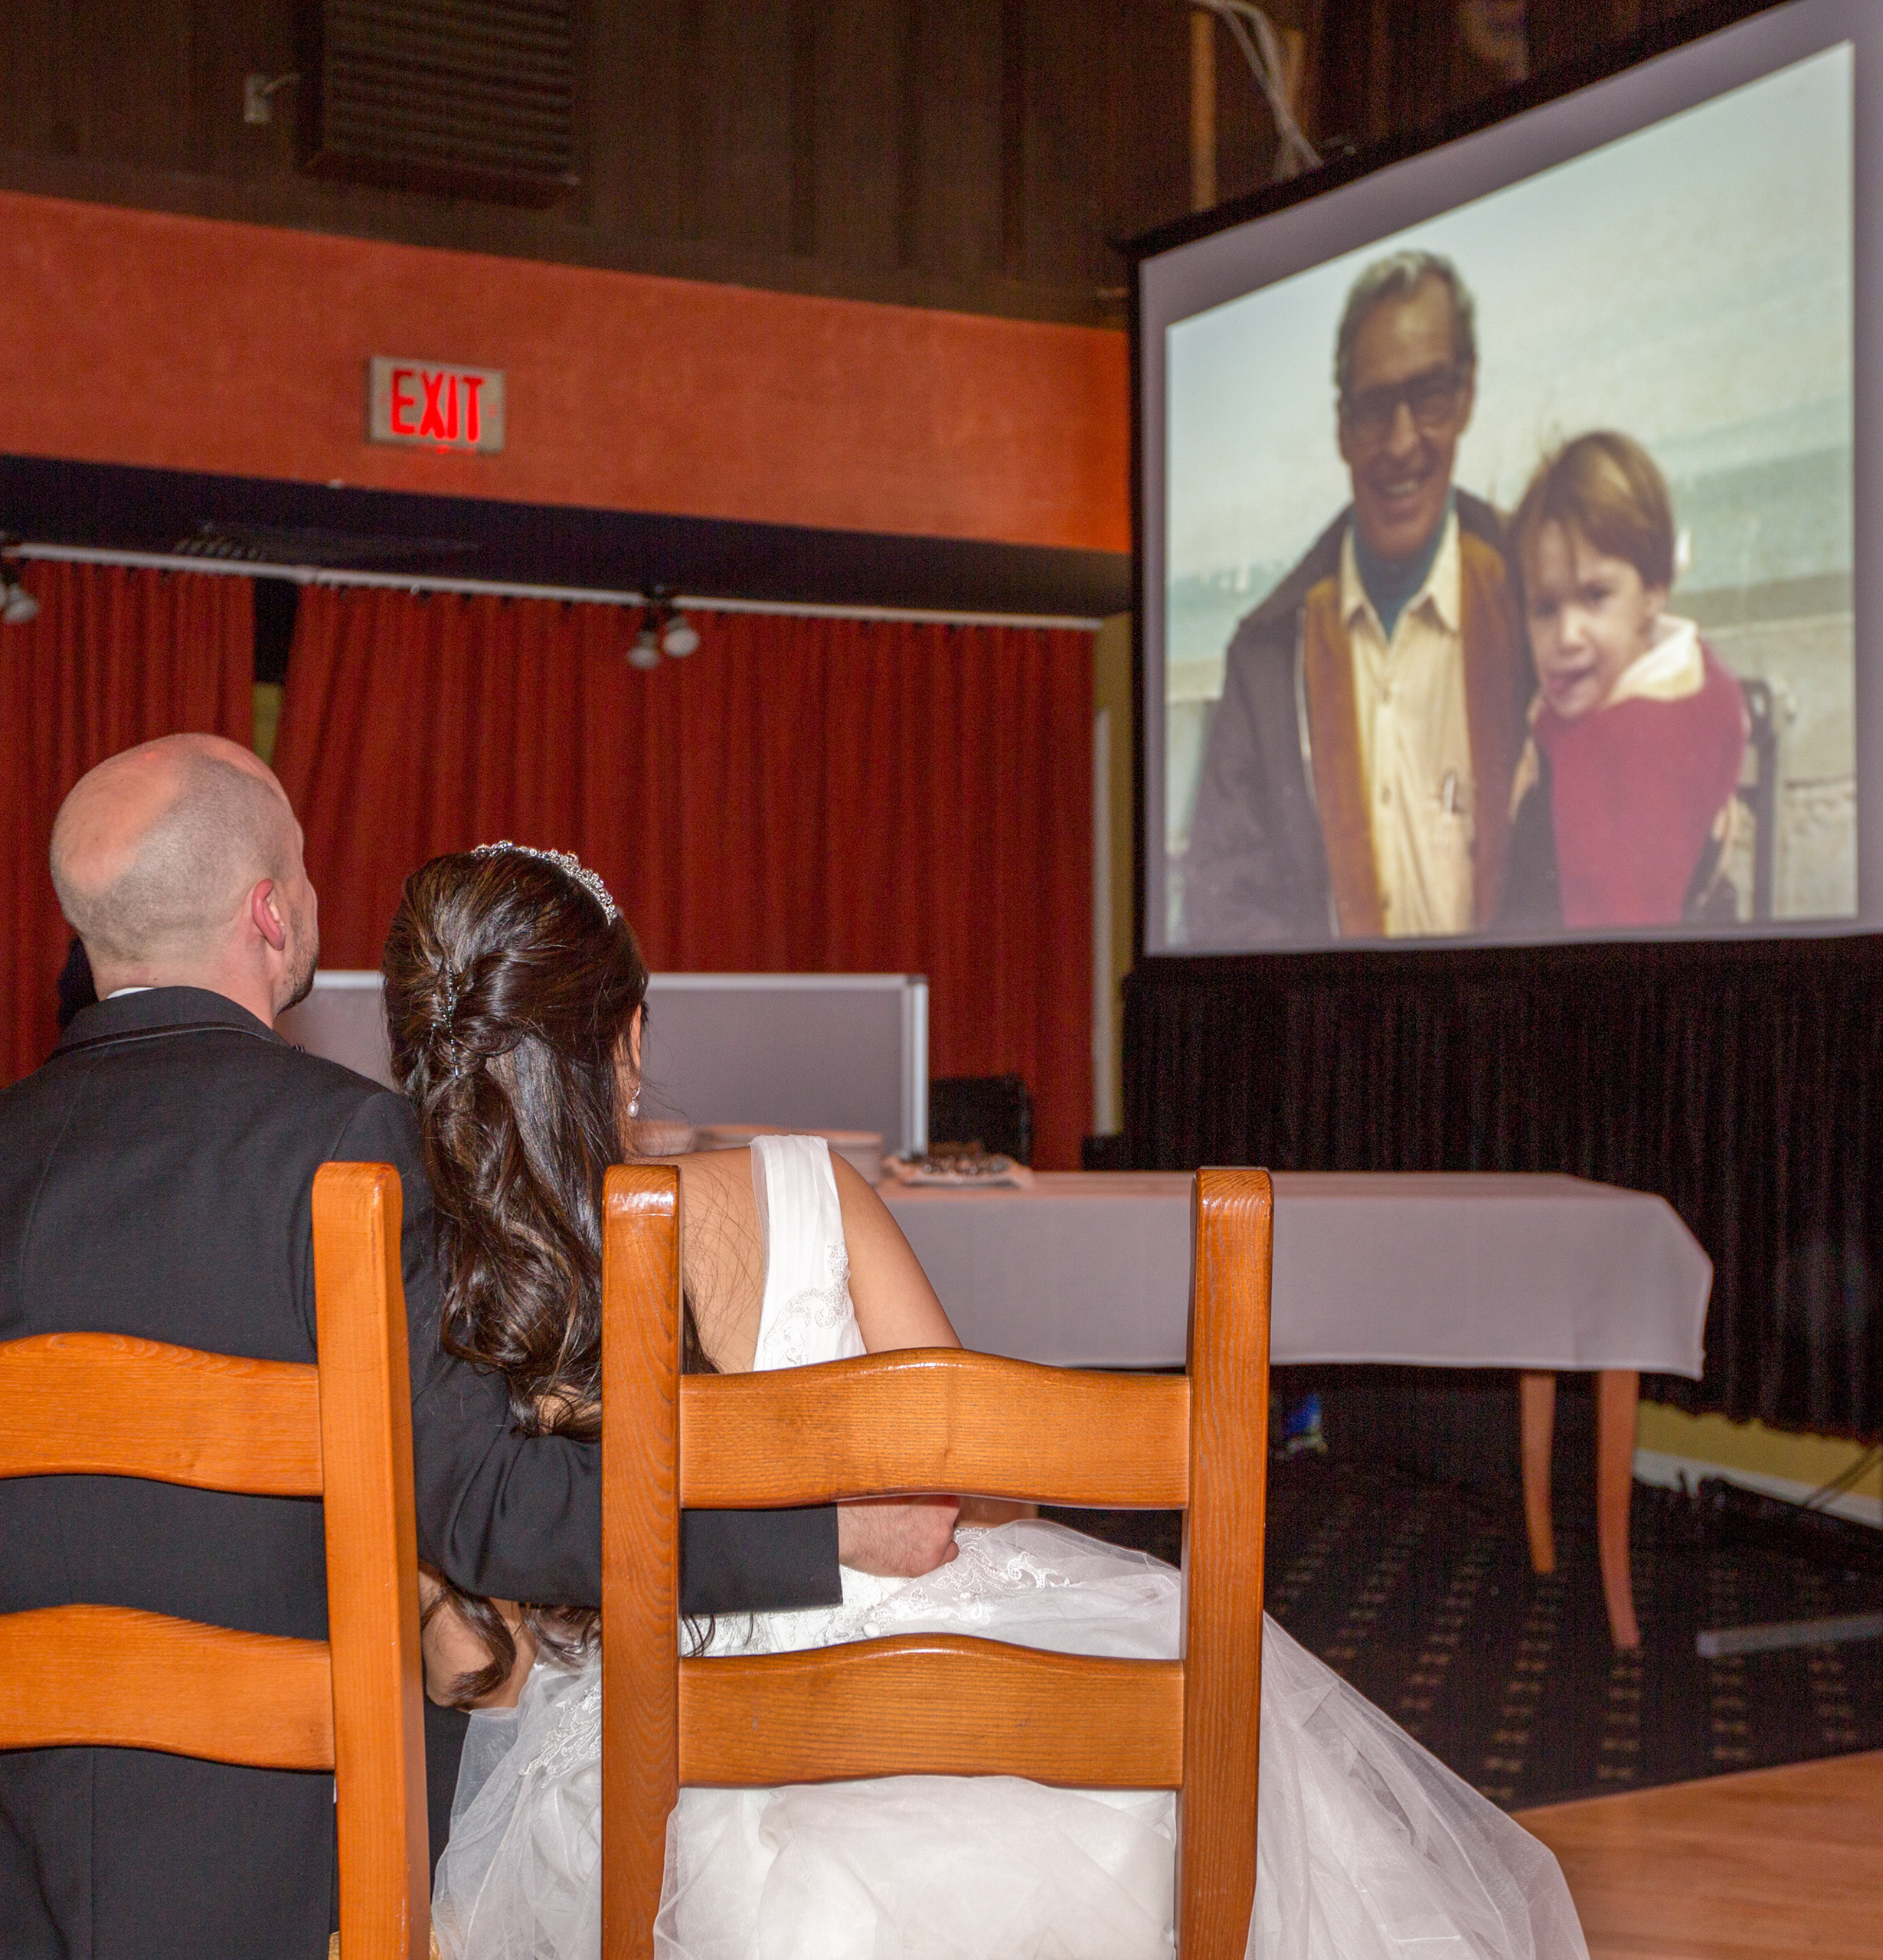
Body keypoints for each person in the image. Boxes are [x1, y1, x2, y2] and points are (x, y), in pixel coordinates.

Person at [394, 845, 1588, 1960]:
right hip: (970, 1717)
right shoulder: (803, 1186)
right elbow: (974, 1477)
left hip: (660, 1805)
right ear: (630, 1039)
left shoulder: (464, 1290)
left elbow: (477, 1663)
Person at [0, 740, 954, 1959]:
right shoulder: (350, 1146)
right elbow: (488, 1507)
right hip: (293, 1860)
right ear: (272, 915)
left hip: (3, 1875)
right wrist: (820, 1538)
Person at [1182, 250, 1532, 946]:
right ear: (1342, 428)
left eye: (1429, 396)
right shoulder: (1267, 653)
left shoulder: (1534, 598)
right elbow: (1224, 907)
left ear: (1467, 395)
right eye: (1374, 409)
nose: (1401, 444)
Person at [1501, 432, 1748, 929]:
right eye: (1545, 608)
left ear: (1654, 590)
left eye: (1595, 597)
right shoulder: (1693, 676)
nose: (1567, 635)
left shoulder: (1635, 756)